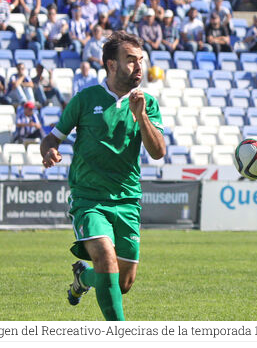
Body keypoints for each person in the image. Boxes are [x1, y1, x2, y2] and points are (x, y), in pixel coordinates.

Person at [40, 31, 166, 321]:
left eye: (141, 61)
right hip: (89, 198)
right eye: (131, 60)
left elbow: (158, 152)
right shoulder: (86, 99)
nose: (138, 67)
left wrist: (141, 116)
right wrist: (49, 152)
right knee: (105, 257)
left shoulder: (148, 103)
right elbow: (52, 138)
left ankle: (84, 278)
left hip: (127, 199)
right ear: (111, 64)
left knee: (122, 283)